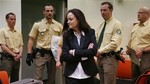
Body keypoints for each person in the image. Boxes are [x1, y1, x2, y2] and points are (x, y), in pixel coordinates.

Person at [26, 3, 63, 84]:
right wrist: (29, 54)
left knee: (52, 77)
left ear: (53, 12)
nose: (49, 12)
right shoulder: (37, 24)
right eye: (47, 11)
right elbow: (31, 39)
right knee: (37, 78)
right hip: (41, 54)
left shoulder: (59, 25)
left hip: (53, 54)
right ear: (44, 12)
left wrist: (60, 55)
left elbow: (62, 40)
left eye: (51, 11)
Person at [61, 8, 98, 84]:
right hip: (72, 76)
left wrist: (74, 52)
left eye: (71, 19)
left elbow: (93, 51)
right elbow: (64, 56)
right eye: (67, 20)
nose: (68, 22)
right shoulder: (66, 35)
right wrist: (84, 56)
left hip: (88, 75)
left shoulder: (90, 32)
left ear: (78, 19)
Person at [96, 2, 123, 84]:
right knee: (102, 82)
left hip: (110, 58)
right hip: (100, 58)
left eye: (105, 10)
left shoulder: (117, 24)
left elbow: (114, 43)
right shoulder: (101, 25)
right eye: (101, 10)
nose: (102, 12)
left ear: (111, 10)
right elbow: (97, 41)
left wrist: (99, 51)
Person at [126, 6, 150, 84]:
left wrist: (143, 50)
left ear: (147, 14)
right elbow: (131, 39)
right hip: (134, 56)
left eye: (140, 12)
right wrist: (128, 48)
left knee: (144, 79)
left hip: (146, 56)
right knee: (135, 78)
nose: (138, 14)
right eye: (138, 12)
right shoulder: (136, 26)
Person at [0, 12, 23, 83]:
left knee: (15, 80)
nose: (14, 21)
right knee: (4, 79)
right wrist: (14, 55)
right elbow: (3, 46)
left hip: (17, 59)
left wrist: (20, 55)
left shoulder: (18, 32)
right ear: (7, 20)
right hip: (7, 59)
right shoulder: (2, 31)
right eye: (11, 19)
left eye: (15, 19)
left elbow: (21, 45)